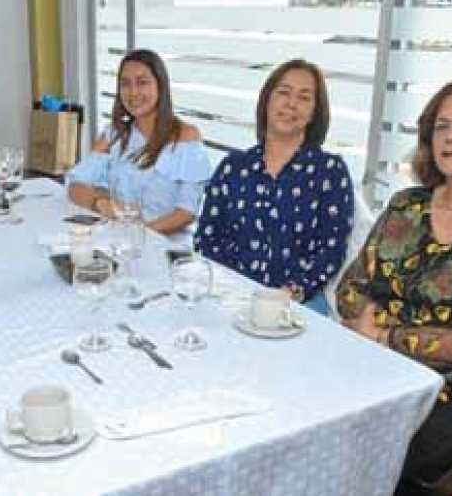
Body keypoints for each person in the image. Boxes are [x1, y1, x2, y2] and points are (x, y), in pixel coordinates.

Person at [336, 79, 452, 494]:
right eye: (441, 126)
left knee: (356, 448)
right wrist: (375, 337)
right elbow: (351, 289)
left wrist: (386, 335)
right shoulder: (407, 205)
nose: (451, 136)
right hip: (376, 369)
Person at [195, 59, 353, 314]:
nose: (291, 104)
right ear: (267, 100)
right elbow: (207, 237)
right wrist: (235, 288)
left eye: (304, 97)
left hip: (298, 303)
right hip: (232, 297)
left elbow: (332, 249)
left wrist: (291, 292)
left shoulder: (330, 171)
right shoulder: (233, 166)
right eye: (283, 92)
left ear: (315, 112)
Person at [66, 48, 211, 245]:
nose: (133, 92)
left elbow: (186, 213)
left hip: (166, 246)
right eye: (125, 84)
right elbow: (75, 185)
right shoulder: (113, 134)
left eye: (142, 82)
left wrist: (140, 233)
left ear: (160, 86)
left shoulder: (185, 136)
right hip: (120, 241)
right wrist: (101, 203)